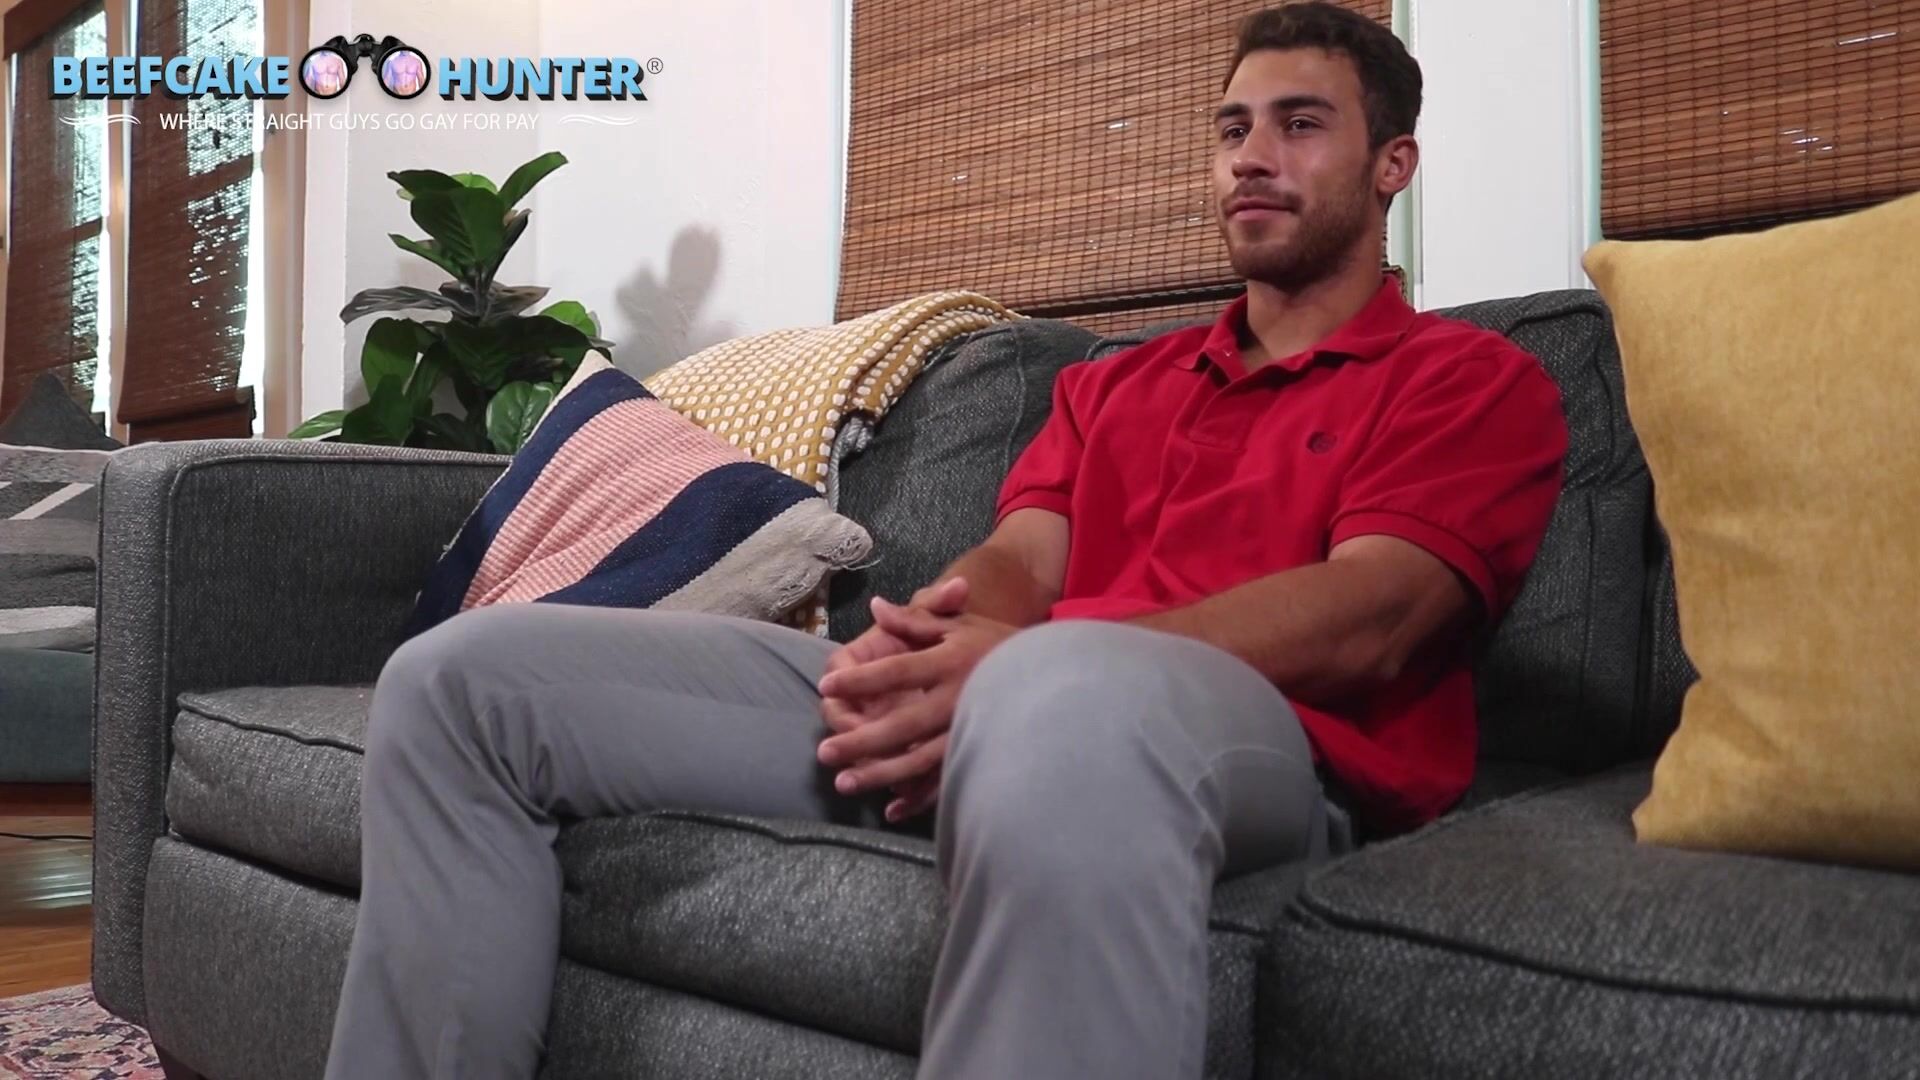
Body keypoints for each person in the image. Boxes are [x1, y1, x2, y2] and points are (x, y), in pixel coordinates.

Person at [323, 4, 1567, 1078]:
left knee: (1065, 696)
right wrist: (941, 638)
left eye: (1300, 125)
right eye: (1233, 127)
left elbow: (1377, 613)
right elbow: (1025, 555)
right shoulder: (1120, 384)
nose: (1252, 156)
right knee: (463, 684)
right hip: (1018, 702)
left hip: (1261, 746)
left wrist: (1029, 661)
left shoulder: (1468, 378)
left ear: (1394, 163)